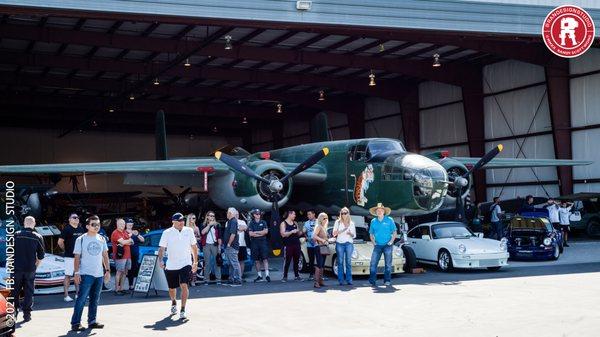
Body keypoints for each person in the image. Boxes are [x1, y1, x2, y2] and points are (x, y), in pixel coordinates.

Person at [70, 215, 111, 332]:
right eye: (93, 224)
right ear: (87, 226)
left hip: (99, 274)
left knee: (95, 299)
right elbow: (77, 257)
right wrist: (76, 272)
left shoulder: (101, 239)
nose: (96, 226)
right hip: (85, 273)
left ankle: (92, 321)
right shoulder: (81, 239)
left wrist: (107, 270)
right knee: (81, 299)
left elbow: (105, 255)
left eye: (98, 224)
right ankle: (75, 323)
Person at [158, 213, 199, 320]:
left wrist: (195, 262)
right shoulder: (167, 233)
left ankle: (183, 309)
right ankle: (173, 302)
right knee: (172, 288)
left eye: (182, 221)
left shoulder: (189, 231)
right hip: (171, 265)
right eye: (179, 221)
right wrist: (160, 260)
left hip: (186, 263)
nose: (182, 223)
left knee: (184, 285)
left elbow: (194, 247)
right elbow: (162, 248)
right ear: (173, 222)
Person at [13, 216, 44, 322]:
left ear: (24, 223)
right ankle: (27, 315)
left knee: (15, 291)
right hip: (30, 269)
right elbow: (40, 256)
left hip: (16, 268)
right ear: (34, 224)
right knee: (29, 292)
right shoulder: (38, 236)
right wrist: (35, 266)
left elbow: (10, 252)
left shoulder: (16, 235)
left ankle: (13, 314)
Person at [58, 213, 86, 302]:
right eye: (74, 217)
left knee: (78, 275)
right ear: (69, 219)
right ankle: (66, 295)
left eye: (78, 217)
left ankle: (78, 294)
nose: (77, 219)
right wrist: (66, 250)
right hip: (69, 257)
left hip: (80, 257)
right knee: (68, 275)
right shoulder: (66, 229)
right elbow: (60, 242)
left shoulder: (81, 229)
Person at [368, 203, 397, 287]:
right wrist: (374, 243)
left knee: (388, 264)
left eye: (381, 210)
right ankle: (372, 281)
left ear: (384, 211)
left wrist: (391, 241)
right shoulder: (373, 221)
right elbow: (371, 234)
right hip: (377, 246)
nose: (379, 211)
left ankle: (387, 281)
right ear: (376, 212)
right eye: (377, 210)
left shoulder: (389, 220)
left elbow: (395, 232)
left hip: (388, 245)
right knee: (373, 264)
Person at [333, 207, 356, 286]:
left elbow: (354, 235)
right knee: (340, 262)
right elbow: (334, 234)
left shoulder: (352, 223)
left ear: (348, 213)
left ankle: (349, 280)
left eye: (345, 213)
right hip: (340, 243)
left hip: (349, 243)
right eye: (342, 213)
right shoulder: (338, 222)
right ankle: (341, 280)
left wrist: (350, 233)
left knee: (348, 262)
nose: (343, 215)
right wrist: (342, 230)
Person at [110, 219, 133, 295]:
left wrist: (127, 241)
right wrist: (128, 240)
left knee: (125, 272)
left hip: (128, 255)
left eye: (123, 224)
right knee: (119, 272)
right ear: (117, 224)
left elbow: (132, 242)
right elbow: (123, 242)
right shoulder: (115, 233)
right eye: (120, 224)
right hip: (120, 256)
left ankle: (121, 288)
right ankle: (117, 289)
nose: (122, 225)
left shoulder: (124, 232)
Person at [248, 209, 270, 282]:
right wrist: (261, 233)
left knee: (265, 259)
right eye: (257, 214)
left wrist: (256, 232)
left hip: (263, 242)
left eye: (259, 214)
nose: (258, 215)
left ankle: (267, 275)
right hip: (254, 243)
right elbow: (250, 234)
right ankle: (259, 276)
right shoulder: (251, 223)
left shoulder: (263, 222)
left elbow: (266, 232)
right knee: (256, 260)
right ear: (254, 215)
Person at [280, 210, 303, 282]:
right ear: (289, 214)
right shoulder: (283, 223)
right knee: (287, 261)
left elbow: (298, 233)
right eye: (294, 214)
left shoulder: (295, 223)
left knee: (296, 260)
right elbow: (283, 234)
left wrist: (300, 232)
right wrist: (291, 232)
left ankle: (297, 276)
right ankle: (284, 276)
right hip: (288, 245)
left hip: (297, 244)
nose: (295, 215)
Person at [200, 211, 222, 285]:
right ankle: (206, 279)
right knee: (207, 263)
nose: (212, 217)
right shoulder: (203, 224)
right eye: (210, 216)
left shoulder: (217, 225)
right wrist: (209, 225)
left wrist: (219, 247)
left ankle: (218, 279)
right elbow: (203, 232)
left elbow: (219, 237)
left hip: (215, 245)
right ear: (207, 216)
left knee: (217, 262)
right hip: (206, 245)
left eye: (213, 216)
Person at [224, 208, 242, 286]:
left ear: (230, 213)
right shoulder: (230, 221)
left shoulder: (233, 221)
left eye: (227, 212)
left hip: (232, 245)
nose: (226, 214)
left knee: (234, 263)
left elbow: (233, 234)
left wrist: (229, 243)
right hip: (229, 245)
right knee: (231, 263)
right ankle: (231, 279)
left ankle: (238, 279)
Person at [125, 219, 145, 291]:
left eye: (131, 223)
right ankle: (120, 287)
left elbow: (143, 240)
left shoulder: (135, 232)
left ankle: (131, 285)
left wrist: (138, 234)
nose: (130, 224)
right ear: (126, 224)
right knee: (125, 270)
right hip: (126, 254)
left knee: (133, 269)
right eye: (128, 223)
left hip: (135, 254)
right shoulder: (124, 232)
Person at [312, 212, 329, 288]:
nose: (326, 219)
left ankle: (320, 281)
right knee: (319, 265)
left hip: (323, 247)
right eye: (324, 218)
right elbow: (314, 236)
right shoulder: (318, 226)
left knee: (322, 265)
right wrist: (322, 240)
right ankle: (316, 282)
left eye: (327, 218)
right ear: (321, 219)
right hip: (319, 247)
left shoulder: (323, 227)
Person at [185, 213, 201, 285]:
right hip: (187, 247)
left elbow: (200, 238)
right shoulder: (185, 228)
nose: (194, 220)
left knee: (195, 263)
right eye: (192, 218)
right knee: (187, 264)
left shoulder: (196, 228)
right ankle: (187, 280)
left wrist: (195, 238)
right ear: (189, 219)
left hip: (195, 246)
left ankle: (193, 281)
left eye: (194, 218)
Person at [303, 210, 317, 280]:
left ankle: (319, 275)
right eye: (307, 214)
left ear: (314, 214)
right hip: (309, 244)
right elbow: (304, 232)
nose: (308, 216)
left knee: (318, 259)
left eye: (310, 214)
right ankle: (311, 274)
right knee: (311, 260)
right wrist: (307, 238)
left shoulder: (318, 222)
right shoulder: (306, 223)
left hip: (317, 244)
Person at [235, 211, 249, 280]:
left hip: (243, 244)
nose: (236, 215)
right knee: (235, 261)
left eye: (237, 214)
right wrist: (240, 228)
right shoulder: (228, 222)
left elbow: (245, 228)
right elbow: (235, 230)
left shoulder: (242, 221)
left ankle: (240, 276)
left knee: (242, 261)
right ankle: (235, 276)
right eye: (235, 214)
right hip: (234, 244)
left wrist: (238, 229)